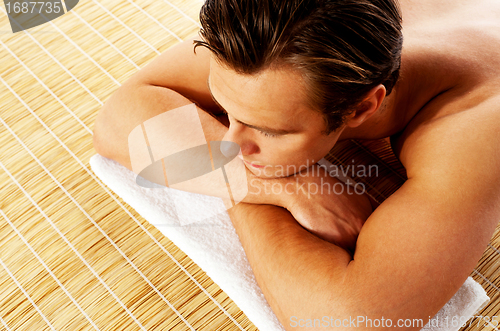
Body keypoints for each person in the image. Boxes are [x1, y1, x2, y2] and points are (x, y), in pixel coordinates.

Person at [93, 0, 500, 329]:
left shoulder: (473, 128)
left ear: (364, 106)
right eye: (225, 112)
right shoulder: (294, 35)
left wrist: (227, 190)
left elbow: (346, 320)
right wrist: (281, 187)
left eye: (268, 131)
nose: (229, 144)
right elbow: (117, 121)